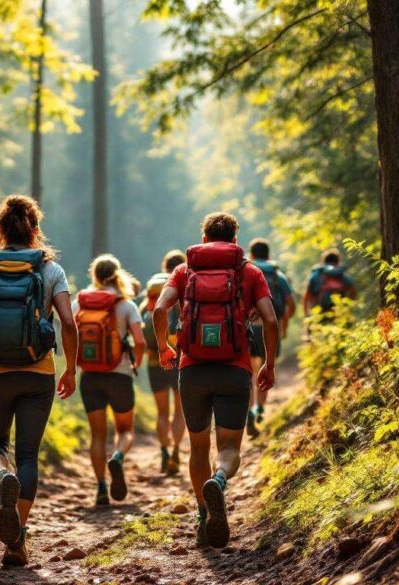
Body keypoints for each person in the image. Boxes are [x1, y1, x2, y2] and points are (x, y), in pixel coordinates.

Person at [0, 195, 79, 566]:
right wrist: (70, 368)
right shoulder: (50, 270)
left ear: (1, 229)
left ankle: (2, 475)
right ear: (35, 229)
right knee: (28, 454)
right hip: (37, 372)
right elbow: (69, 324)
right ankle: (16, 541)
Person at [153, 212, 278, 548]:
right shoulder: (249, 272)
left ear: (204, 239)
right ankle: (220, 479)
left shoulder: (183, 271)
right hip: (234, 369)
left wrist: (165, 348)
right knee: (228, 448)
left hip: (192, 369)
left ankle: (204, 514)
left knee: (198, 447)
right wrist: (268, 363)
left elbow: (159, 311)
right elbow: (270, 319)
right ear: (235, 241)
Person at [73, 254, 145, 506]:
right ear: (118, 274)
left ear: (94, 275)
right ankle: (118, 456)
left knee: (97, 436)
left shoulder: (80, 303)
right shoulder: (126, 305)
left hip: (89, 376)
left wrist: (72, 367)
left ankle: (101, 487)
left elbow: (69, 336)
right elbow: (140, 341)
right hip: (120, 375)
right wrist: (137, 362)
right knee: (125, 430)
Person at [140, 250, 186, 475]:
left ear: (164, 266)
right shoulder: (183, 288)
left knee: (161, 412)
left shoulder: (153, 293)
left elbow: (142, 324)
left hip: (154, 359)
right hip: (178, 358)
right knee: (179, 411)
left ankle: (164, 452)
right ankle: (177, 450)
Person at [244, 238, 295, 439]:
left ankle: (248, 411)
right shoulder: (277, 275)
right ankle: (260, 412)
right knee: (265, 371)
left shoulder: (246, 273)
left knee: (248, 372)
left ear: (252, 255)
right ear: (268, 254)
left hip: (247, 329)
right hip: (269, 329)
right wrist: (283, 324)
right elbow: (291, 304)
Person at [303, 248, 357, 317]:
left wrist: (306, 314)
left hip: (319, 312)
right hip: (338, 312)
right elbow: (352, 291)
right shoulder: (341, 275)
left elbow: (306, 296)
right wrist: (347, 308)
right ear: (338, 261)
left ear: (324, 261)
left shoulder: (317, 274)